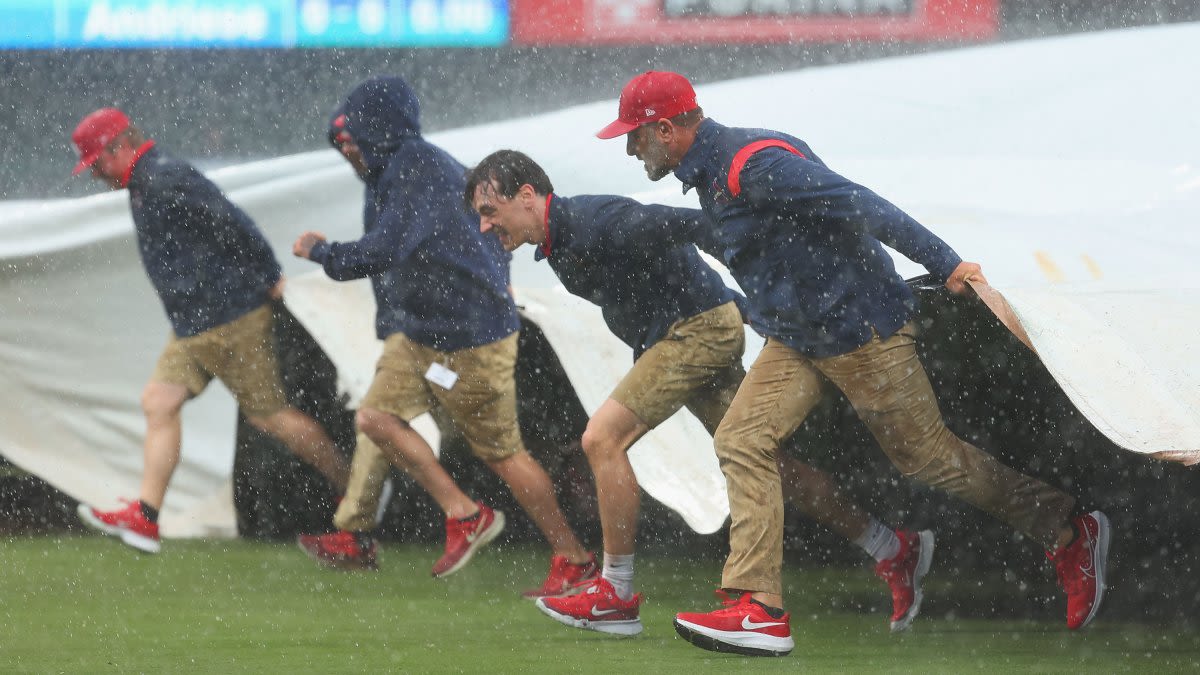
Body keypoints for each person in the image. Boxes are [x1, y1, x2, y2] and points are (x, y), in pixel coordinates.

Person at [596, 71, 1111, 656]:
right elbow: (763, 250)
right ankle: (757, 608)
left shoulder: (755, 164)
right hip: (799, 337)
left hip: (858, 330)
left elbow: (862, 205)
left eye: (634, 136)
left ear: (666, 129)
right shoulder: (715, 174)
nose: (630, 148)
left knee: (930, 460)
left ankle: (1068, 530)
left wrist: (947, 263)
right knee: (740, 440)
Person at [464, 149, 937, 636]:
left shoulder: (596, 220)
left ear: (525, 196)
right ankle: (894, 548)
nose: (484, 228)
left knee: (601, 439)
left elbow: (697, 227)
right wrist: (736, 305)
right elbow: (673, 268)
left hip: (697, 332)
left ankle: (616, 595)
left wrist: (765, 293)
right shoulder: (561, 241)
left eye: (488, 211)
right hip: (702, 325)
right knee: (772, 465)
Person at [292, 76, 597, 594]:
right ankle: (459, 513)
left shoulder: (414, 171)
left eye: (353, 138)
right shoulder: (403, 168)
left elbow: (380, 252)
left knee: (504, 455)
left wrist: (322, 251)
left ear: (377, 130)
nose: (348, 149)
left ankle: (574, 558)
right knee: (376, 417)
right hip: (427, 332)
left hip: (467, 340)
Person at [70, 107, 351, 554]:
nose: (96, 174)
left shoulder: (163, 179)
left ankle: (353, 489)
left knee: (270, 415)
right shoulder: (150, 181)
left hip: (228, 318)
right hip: (195, 323)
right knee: (158, 402)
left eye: (97, 163)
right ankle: (145, 519)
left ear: (119, 146)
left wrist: (269, 274)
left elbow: (230, 219)